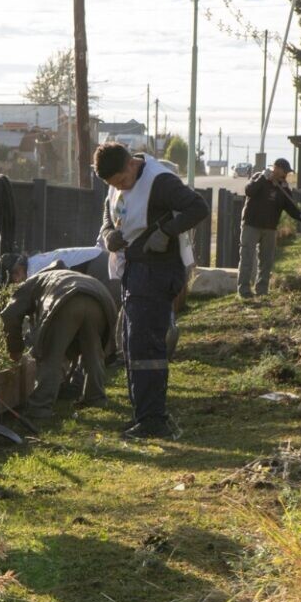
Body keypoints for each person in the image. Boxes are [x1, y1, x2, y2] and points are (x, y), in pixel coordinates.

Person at [95, 142, 209, 440]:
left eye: (121, 181)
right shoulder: (115, 182)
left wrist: (166, 232)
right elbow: (108, 214)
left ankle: (153, 420)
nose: (119, 187)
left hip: (158, 270)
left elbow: (198, 207)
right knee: (133, 345)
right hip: (134, 269)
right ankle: (144, 415)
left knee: (146, 346)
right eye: (113, 184)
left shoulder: (160, 181)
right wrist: (108, 235)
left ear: (131, 164)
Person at [0, 254, 117, 419]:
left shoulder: (35, 280)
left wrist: (15, 349)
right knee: (93, 351)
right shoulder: (72, 275)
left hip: (65, 300)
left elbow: (10, 314)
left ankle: (40, 407)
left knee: (51, 355)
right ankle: (96, 397)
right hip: (99, 299)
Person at [238, 158, 301, 299]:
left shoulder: (283, 187)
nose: (286, 175)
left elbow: (291, 207)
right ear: (276, 169)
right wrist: (264, 178)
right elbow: (249, 191)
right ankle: (244, 291)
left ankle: (262, 291)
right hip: (251, 225)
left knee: (266, 261)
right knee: (247, 258)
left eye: (287, 173)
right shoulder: (258, 177)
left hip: (270, 228)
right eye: (284, 172)